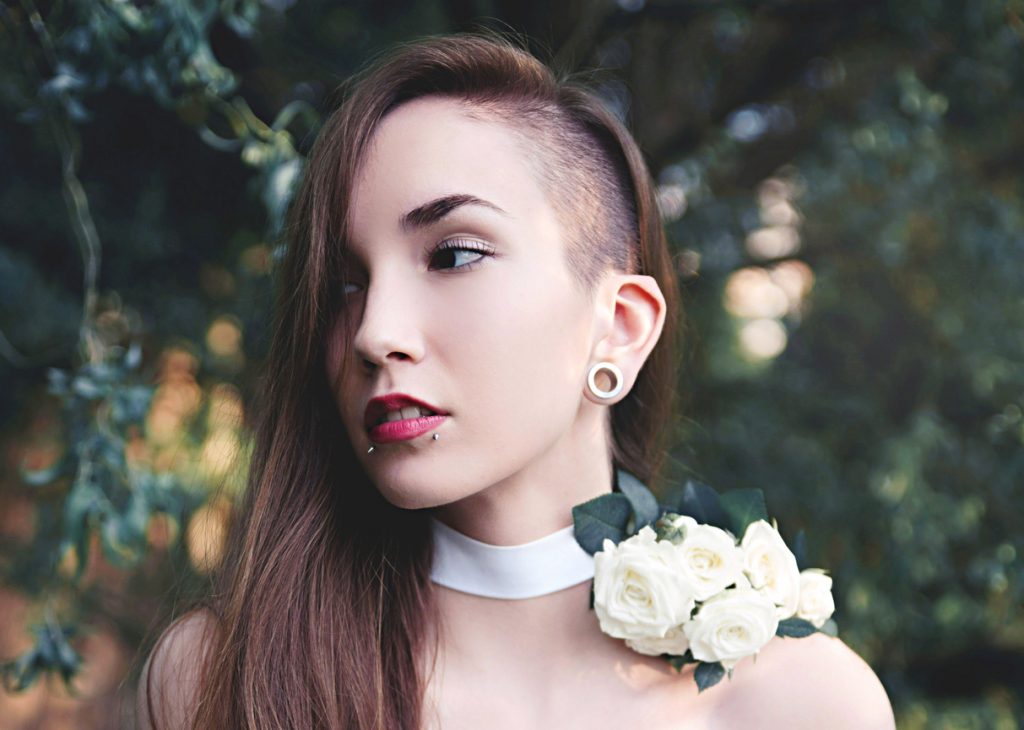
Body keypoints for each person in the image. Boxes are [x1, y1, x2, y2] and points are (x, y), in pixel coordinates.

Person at [136, 30, 896, 729]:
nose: (374, 334)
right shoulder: (218, 680)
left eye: (455, 254)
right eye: (344, 285)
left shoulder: (799, 703)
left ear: (621, 327)